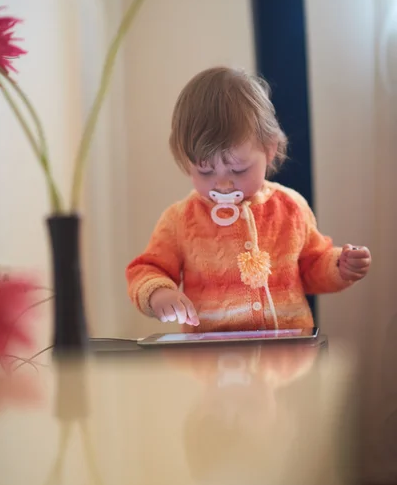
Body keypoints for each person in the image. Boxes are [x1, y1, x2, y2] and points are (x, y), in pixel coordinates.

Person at [126, 67, 371, 331]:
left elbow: (312, 267)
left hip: (287, 354)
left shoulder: (291, 207)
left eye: (238, 169)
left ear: (269, 149)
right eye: (205, 171)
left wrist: (339, 266)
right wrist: (158, 293)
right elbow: (146, 269)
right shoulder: (180, 219)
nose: (222, 183)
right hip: (211, 361)